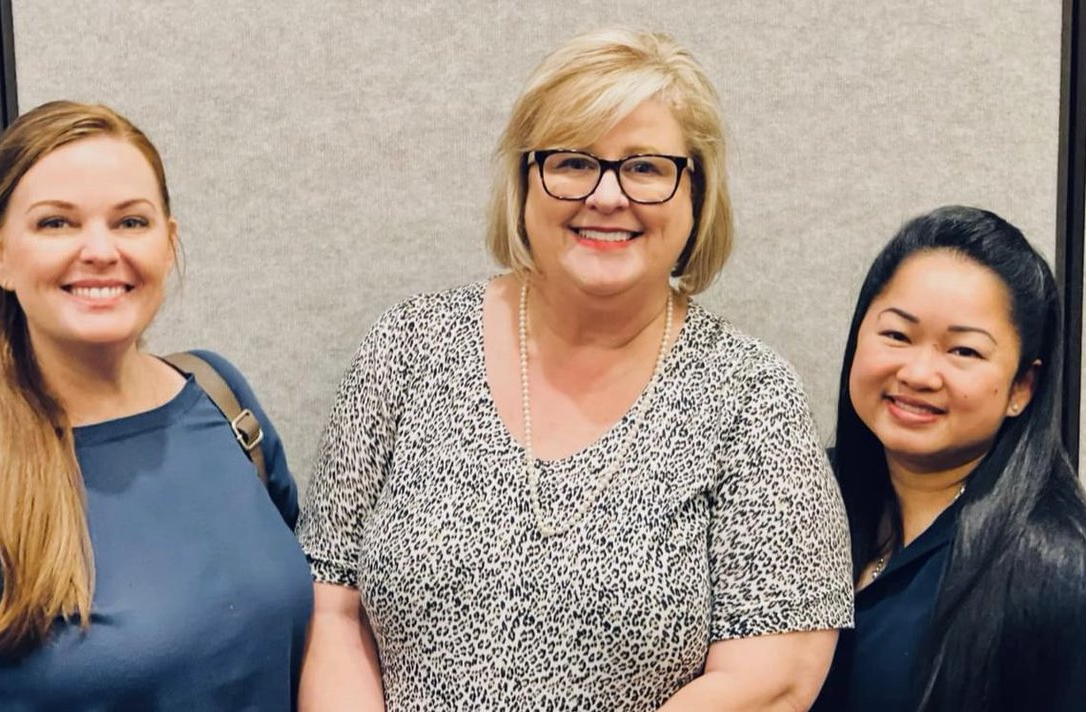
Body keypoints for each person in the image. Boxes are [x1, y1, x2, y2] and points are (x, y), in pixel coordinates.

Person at [297, 28, 853, 711]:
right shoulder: (409, 346)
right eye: (572, 162)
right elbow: (331, 602)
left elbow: (774, 677)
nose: (607, 196)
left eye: (646, 167)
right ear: (526, 181)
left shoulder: (751, 395)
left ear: (697, 195)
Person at [0, 101, 312, 710]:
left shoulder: (221, 397)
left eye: (131, 222)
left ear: (169, 241)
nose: (99, 250)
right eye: (56, 223)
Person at [813, 205, 1086, 711]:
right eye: (896, 335)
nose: (918, 372)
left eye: (963, 351)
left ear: (1022, 388)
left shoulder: (1061, 570)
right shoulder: (795, 496)